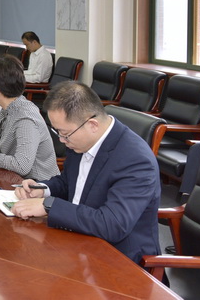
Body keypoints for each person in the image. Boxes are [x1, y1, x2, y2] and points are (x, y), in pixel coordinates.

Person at [12, 81, 161, 263]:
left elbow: (112, 224)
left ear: (92, 125)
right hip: (77, 239)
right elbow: (69, 182)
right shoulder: (80, 140)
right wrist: (43, 189)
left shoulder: (136, 160)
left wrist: (48, 205)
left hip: (118, 259)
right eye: (58, 132)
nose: (62, 140)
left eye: (64, 133)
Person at [0, 55, 59, 180]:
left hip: (36, 185)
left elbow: (21, 165)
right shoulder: (8, 108)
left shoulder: (25, 118)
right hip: (11, 179)